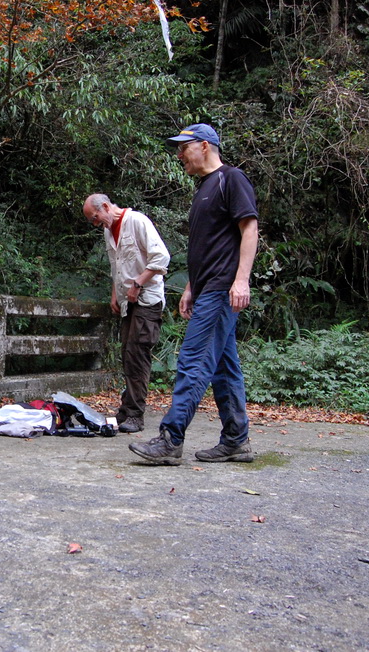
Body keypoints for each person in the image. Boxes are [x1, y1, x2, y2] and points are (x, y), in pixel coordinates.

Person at [130, 123, 258, 465]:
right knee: (224, 368)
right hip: (206, 289)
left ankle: (171, 439)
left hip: (222, 289)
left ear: (204, 145)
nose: (179, 154)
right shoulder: (203, 189)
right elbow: (206, 246)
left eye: (183, 147)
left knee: (194, 360)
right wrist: (190, 286)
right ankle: (236, 439)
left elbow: (249, 229)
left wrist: (241, 280)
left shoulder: (232, 179)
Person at [82, 194, 170, 434]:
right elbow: (116, 265)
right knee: (128, 353)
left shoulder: (137, 222)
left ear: (107, 207)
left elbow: (161, 257)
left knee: (138, 353)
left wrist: (138, 284)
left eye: (95, 217)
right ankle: (127, 409)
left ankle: (135, 415)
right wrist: (115, 294)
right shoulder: (109, 231)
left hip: (147, 298)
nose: (95, 223)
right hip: (127, 301)